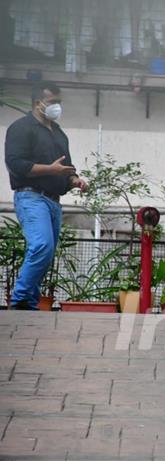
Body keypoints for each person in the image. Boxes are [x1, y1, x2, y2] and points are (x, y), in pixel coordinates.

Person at [4, 81, 88, 310]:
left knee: (46, 252)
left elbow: (66, 167)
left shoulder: (59, 134)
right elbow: (15, 163)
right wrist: (51, 169)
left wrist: (74, 180)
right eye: (53, 102)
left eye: (59, 102)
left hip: (53, 201)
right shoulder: (21, 128)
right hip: (31, 197)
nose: (57, 107)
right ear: (37, 103)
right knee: (41, 246)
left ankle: (29, 304)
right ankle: (20, 298)